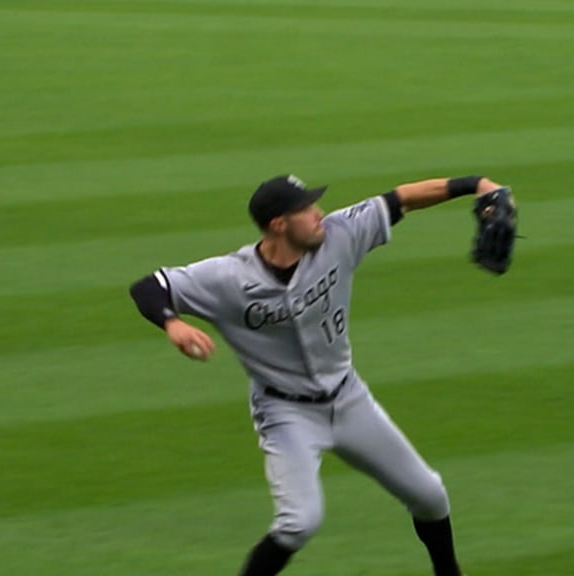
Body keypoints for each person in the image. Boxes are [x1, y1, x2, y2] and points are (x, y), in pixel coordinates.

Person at [129, 173, 511, 575]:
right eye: (306, 209)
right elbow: (149, 288)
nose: (318, 214)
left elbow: (400, 200)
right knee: (299, 523)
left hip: (349, 399)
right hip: (285, 414)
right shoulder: (228, 278)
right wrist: (173, 323)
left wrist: (476, 185)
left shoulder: (339, 234)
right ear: (279, 224)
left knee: (430, 495)